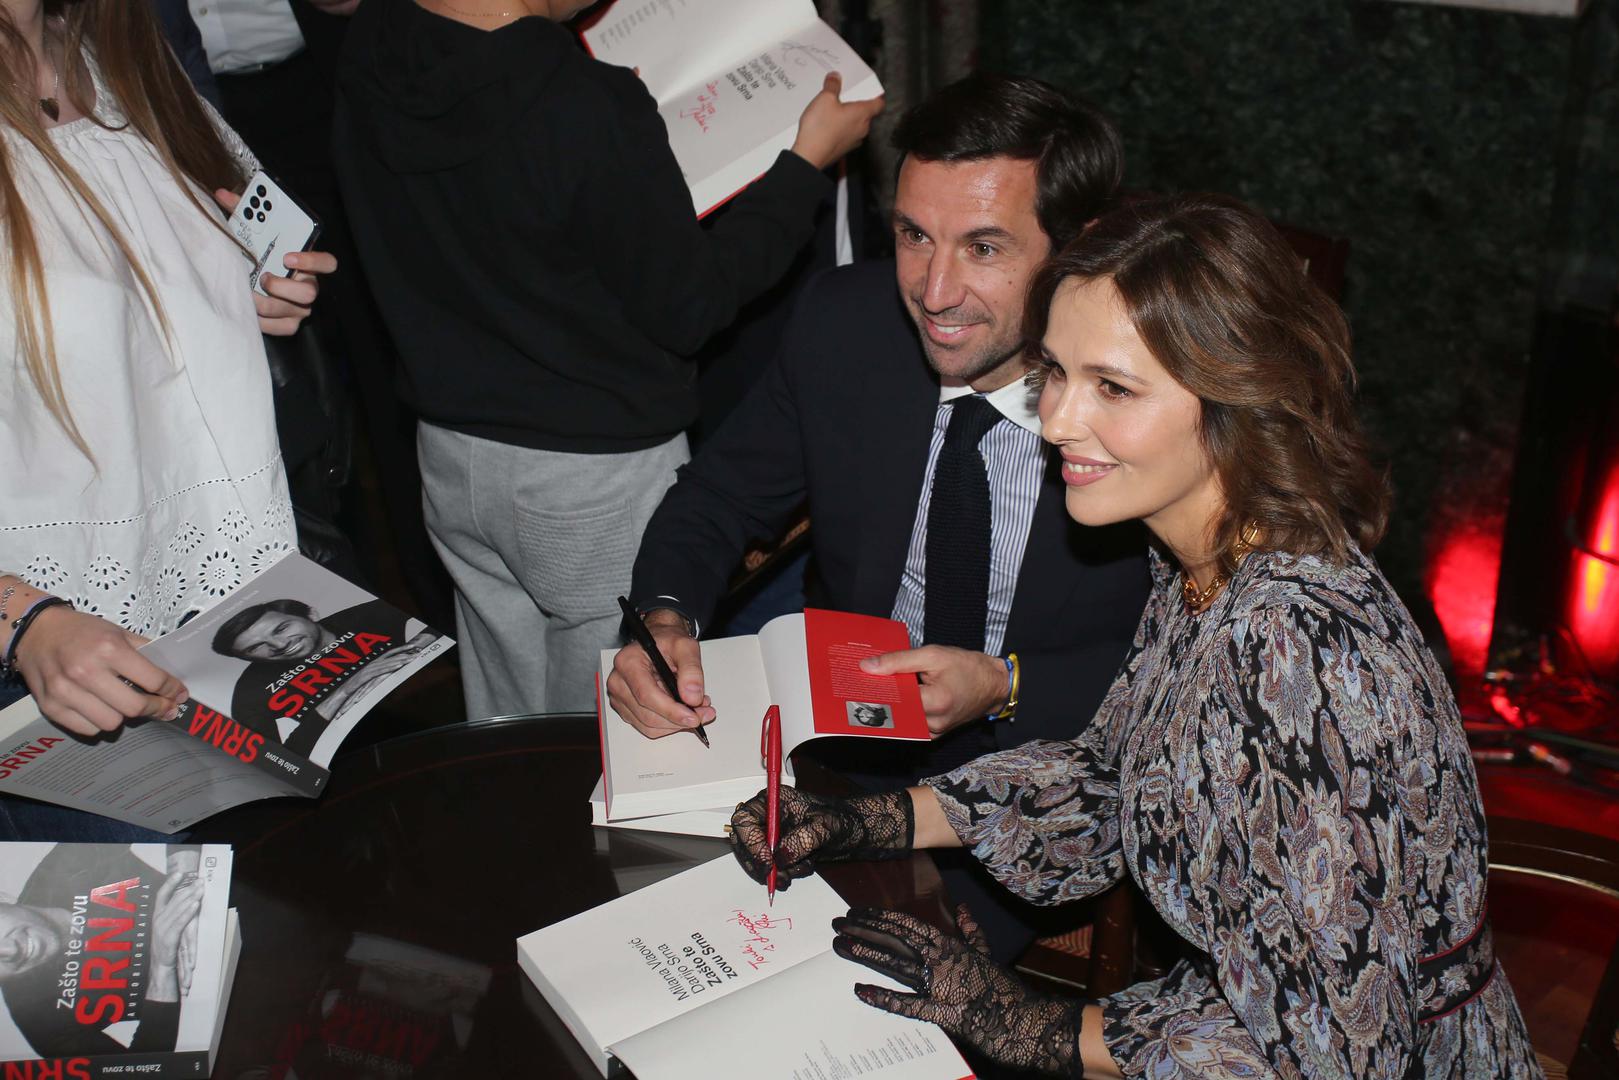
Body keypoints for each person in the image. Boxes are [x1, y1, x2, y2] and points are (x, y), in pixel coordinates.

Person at [729, 194, 1542, 1077]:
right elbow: (1121, 778)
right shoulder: (1208, 563)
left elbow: (1336, 1046)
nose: (1056, 422)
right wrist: (871, 822)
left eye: (1112, 388)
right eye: (1055, 372)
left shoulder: (1290, 651)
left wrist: (1027, 1024)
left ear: (1235, 396)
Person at [610, 73, 1150, 961]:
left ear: (1078, 248)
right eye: (912, 235)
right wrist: (665, 617)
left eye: (983, 247)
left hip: (1036, 778)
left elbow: (1188, 662)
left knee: (859, 985)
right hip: (839, 748)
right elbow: (717, 498)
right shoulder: (845, 324)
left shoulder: (1149, 396)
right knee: (649, 919)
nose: (933, 292)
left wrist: (1006, 682)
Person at [332, 0, 883, 721]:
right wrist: (804, 166)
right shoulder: (582, 101)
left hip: (450, 452)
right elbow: (692, 307)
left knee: (506, 719)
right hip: (590, 471)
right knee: (609, 730)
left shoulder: (373, 38)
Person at [0, 0, 335, 839]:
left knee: (277, 901)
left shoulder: (123, 64)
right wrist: (22, 624)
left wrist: (258, 287)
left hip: (232, 613)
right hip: (58, 665)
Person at [0, 844, 205, 1058]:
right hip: (213, 1002)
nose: (10, 950)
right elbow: (144, 1071)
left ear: (2, 899)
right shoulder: (38, 1020)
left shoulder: (67, 862)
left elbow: (177, 829)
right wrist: (161, 969)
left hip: (215, 906)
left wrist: (185, 889)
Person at [211, 597, 439, 754]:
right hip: (357, 751)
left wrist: (415, 647)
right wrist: (345, 689)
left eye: (281, 628)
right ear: (244, 658)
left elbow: (440, 620)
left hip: (422, 704)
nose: (279, 645)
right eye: (255, 647)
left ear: (311, 614)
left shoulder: (366, 614)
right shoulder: (250, 693)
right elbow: (288, 758)